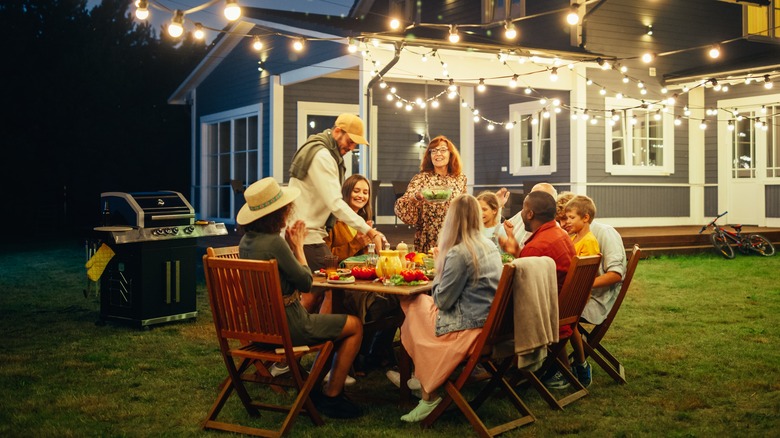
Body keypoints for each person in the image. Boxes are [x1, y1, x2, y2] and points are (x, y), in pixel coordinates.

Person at [236, 177, 364, 419]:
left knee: (333, 329)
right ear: (279, 212)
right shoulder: (274, 243)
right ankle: (331, 396)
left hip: (258, 325)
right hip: (287, 326)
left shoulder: (247, 242)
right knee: (354, 325)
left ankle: (312, 387)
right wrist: (298, 248)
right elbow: (307, 283)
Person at [392, 194, 502, 422]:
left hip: (469, 327)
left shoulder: (460, 253)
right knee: (418, 305)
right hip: (491, 325)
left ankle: (427, 391)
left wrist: (440, 267)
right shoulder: (488, 245)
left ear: (451, 219)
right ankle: (422, 378)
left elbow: (442, 301)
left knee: (413, 306)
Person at [288, 113, 386, 313]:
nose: (351, 148)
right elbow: (335, 203)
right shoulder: (322, 156)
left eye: (354, 144)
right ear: (337, 132)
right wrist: (370, 231)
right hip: (306, 235)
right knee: (328, 287)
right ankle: (296, 331)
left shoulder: (326, 153)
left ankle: (317, 335)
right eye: (350, 141)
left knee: (323, 290)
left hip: (309, 231)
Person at [325, 174, 400, 374]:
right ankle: (362, 355)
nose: (361, 195)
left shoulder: (363, 221)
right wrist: (358, 241)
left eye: (365, 192)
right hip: (343, 287)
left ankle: (374, 353)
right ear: (347, 192)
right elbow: (328, 257)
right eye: (356, 190)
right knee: (383, 304)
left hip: (363, 281)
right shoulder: (334, 221)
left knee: (399, 303)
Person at [555, 194, 600, 389]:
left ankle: (573, 367)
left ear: (585, 218)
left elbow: (585, 276)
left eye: (571, 218)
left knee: (559, 322)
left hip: (578, 296)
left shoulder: (588, 242)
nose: (567, 222)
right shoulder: (574, 238)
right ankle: (566, 367)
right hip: (570, 293)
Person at [394, 135, 467, 253]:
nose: (438, 154)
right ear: (429, 155)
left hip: (455, 237)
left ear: (451, 154)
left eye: (443, 150)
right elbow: (403, 206)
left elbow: (464, 206)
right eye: (433, 151)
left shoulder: (460, 179)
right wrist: (416, 197)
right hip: (428, 238)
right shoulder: (420, 179)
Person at [497, 182, 558, 250]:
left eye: (537, 196)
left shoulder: (552, 234)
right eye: (531, 195)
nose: (531, 199)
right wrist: (497, 207)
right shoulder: (524, 213)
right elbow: (503, 226)